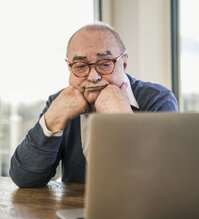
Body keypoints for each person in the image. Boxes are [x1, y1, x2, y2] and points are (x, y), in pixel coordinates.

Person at [10, 22, 178, 188]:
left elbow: (162, 184)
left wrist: (122, 119)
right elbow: (24, 178)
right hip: (72, 212)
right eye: (81, 66)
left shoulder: (157, 99)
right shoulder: (60, 102)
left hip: (139, 214)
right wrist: (52, 122)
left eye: (105, 64)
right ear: (69, 68)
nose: (93, 77)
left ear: (124, 63)